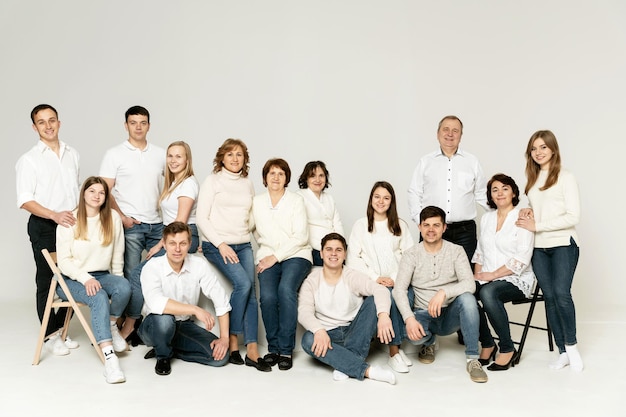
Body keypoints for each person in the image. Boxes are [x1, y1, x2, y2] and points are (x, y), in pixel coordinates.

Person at [407, 115, 489, 344]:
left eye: (455, 130)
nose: (450, 134)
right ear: (438, 133)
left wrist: (505, 214)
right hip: (432, 229)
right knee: (425, 275)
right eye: (446, 129)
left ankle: (466, 328)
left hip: (464, 230)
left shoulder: (472, 161)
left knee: (467, 278)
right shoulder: (426, 162)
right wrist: (419, 220)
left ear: (461, 135)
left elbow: (482, 194)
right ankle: (426, 324)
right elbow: (414, 192)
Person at [197, 139, 270, 372]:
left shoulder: (248, 183)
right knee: (243, 283)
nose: (235, 158)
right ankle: (230, 340)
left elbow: (250, 219)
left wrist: (265, 246)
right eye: (230, 154)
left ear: (244, 159)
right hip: (216, 244)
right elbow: (201, 218)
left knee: (251, 292)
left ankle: (251, 349)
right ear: (222, 158)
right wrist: (220, 244)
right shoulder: (213, 180)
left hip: (243, 244)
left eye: (239, 155)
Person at [392, 206, 488, 383]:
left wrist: (444, 292)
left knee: (468, 299)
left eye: (436, 225)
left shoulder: (456, 251)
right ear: (420, 227)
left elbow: (469, 283)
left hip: (450, 314)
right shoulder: (411, 255)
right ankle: (428, 343)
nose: (431, 230)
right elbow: (399, 290)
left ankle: (472, 359)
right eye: (426, 225)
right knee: (411, 336)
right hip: (423, 314)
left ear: (444, 228)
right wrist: (409, 319)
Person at [16, 104, 81, 356]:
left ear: (59, 122)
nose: (48, 125)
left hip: (71, 224)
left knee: (75, 275)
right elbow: (24, 200)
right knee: (47, 281)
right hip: (44, 225)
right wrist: (54, 214)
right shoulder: (29, 159)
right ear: (35, 127)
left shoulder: (72, 153)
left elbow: (74, 191)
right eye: (41, 122)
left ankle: (61, 329)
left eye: (52, 120)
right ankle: (51, 335)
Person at [516, 130, 583, 372]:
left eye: (543, 147)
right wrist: (526, 209)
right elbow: (541, 206)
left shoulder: (566, 177)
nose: (539, 152)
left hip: (563, 243)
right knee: (551, 299)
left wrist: (539, 225)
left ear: (553, 149)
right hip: (539, 248)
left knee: (562, 294)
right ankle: (562, 351)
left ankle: (572, 347)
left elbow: (573, 215)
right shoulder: (532, 179)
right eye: (534, 148)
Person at [55, 177, 131, 383]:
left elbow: (117, 254)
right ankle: (110, 360)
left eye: (102, 192)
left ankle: (111, 324)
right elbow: (63, 261)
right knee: (97, 297)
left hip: (101, 275)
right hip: (71, 279)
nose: (97, 196)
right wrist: (85, 278)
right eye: (92, 191)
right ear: (83, 194)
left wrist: (118, 282)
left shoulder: (112, 217)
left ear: (106, 197)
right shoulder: (70, 219)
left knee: (124, 287)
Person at [124, 141, 199, 340]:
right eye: (170, 156)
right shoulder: (173, 182)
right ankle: (141, 323)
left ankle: (130, 324)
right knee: (143, 274)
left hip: (180, 236)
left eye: (179, 156)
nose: (173, 161)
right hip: (171, 235)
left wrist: (160, 243)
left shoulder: (188, 183)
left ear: (187, 160)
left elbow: (181, 222)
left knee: (139, 274)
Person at [299, 233, 397, 385]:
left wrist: (384, 316)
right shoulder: (311, 281)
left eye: (338, 250)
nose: (333, 253)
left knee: (373, 300)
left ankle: (344, 363)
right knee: (307, 339)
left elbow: (380, 290)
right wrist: (319, 330)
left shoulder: (351, 276)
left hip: (356, 332)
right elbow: (304, 312)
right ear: (321, 253)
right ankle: (367, 370)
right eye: (329, 249)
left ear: (345, 254)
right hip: (328, 335)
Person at [138, 222, 231, 376]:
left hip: (183, 326)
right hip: (153, 326)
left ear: (190, 244)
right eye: (172, 243)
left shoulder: (198, 265)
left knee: (220, 358)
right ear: (165, 244)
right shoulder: (152, 267)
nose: (177, 249)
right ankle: (163, 356)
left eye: (182, 243)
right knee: (164, 319)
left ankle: (169, 349)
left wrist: (224, 338)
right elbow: (155, 303)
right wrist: (194, 309)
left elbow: (220, 298)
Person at [251, 158, 312, 370]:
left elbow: (301, 236)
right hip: (267, 255)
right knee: (267, 297)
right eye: (272, 173)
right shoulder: (257, 201)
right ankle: (273, 347)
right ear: (264, 178)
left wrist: (275, 257)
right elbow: (244, 227)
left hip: (297, 254)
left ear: (287, 178)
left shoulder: (296, 200)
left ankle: (286, 349)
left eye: (281, 173)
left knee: (286, 290)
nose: (276, 177)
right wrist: (217, 242)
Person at [347, 181, 414, 373]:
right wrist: (376, 277)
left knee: (399, 296)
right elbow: (353, 258)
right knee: (385, 295)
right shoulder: (360, 225)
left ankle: (395, 351)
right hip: (372, 282)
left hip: (398, 281)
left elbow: (409, 256)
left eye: (386, 197)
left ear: (392, 201)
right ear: (371, 199)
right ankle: (394, 352)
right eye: (377, 196)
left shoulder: (400, 225)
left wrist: (393, 277)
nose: (381, 201)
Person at [472, 174, 535, 371]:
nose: (500, 193)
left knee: (488, 293)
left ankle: (507, 348)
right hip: (488, 276)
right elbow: (481, 252)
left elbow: (522, 259)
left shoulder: (522, 217)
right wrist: (477, 277)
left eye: (505, 188)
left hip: (516, 278)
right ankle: (488, 343)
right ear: (490, 195)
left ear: (514, 192)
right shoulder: (487, 218)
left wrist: (491, 276)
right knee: (466, 292)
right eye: (495, 190)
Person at [99, 105, 165, 280]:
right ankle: (132, 309)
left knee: (162, 273)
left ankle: (157, 308)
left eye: (143, 123)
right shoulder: (114, 154)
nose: (138, 127)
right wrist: (122, 217)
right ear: (125, 125)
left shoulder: (161, 154)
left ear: (149, 126)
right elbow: (103, 190)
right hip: (131, 224)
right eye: (133, 123)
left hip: (158, 224)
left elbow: (176, 184)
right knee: (132, 274)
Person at [297, 161, 344, 266]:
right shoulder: (300, 197)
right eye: (313, 176)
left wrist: (341, 247)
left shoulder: (329, 198)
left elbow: (337, 224)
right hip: (315, 248)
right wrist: (325, 249)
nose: (318, 180)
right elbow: (302, 229)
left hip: (334, 247)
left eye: (321, 176)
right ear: (306, 179)